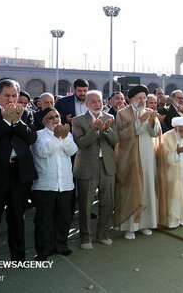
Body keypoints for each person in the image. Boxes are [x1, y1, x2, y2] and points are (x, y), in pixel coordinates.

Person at [0, 79, 37, 263]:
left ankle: (18, 257)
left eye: (14, 96)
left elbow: (31, 138)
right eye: (7, 96)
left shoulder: (26, 114)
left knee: (17, 217)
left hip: (20, 174)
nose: (11, 100)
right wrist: (5, 121)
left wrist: (17, 122)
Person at [114, 85, 166, 240]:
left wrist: (150, 122)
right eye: (139, 98)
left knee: (148, 188)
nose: (142, 101)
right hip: (130, 158)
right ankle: (131, 226)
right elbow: (121, 135)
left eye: (144, 98)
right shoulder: (122, 113)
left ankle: (145, 224)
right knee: (132, 189)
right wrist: (138, 123)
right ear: (131, 99)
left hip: (148, 157)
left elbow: (156, 133)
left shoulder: (150, 112)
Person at [71, 90, 118, 249]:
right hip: (86, 166)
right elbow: (81, 143)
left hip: (107, 165)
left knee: (107, 202)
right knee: (85, 204)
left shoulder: (109, 118)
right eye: (93, 102)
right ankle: (85, 238)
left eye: (99, 101)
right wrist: (95, 130)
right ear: (86, 104)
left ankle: (102, 234)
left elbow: (115, 140)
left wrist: (106, 130)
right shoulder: (78, 121)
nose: (97, 104)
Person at [30, 107, 78, 260]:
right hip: (45, 185)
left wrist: (63, 138)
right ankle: (43, 250)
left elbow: (72, 151)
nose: (55, 119)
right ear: (44, 121)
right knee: (44, 219)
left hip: (65, 184)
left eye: (57, 116)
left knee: (63, 217)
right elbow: (42, 152)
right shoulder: (38, 135)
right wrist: (55, 138)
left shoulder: (67, 134)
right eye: (51, 117)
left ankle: (61, 246)